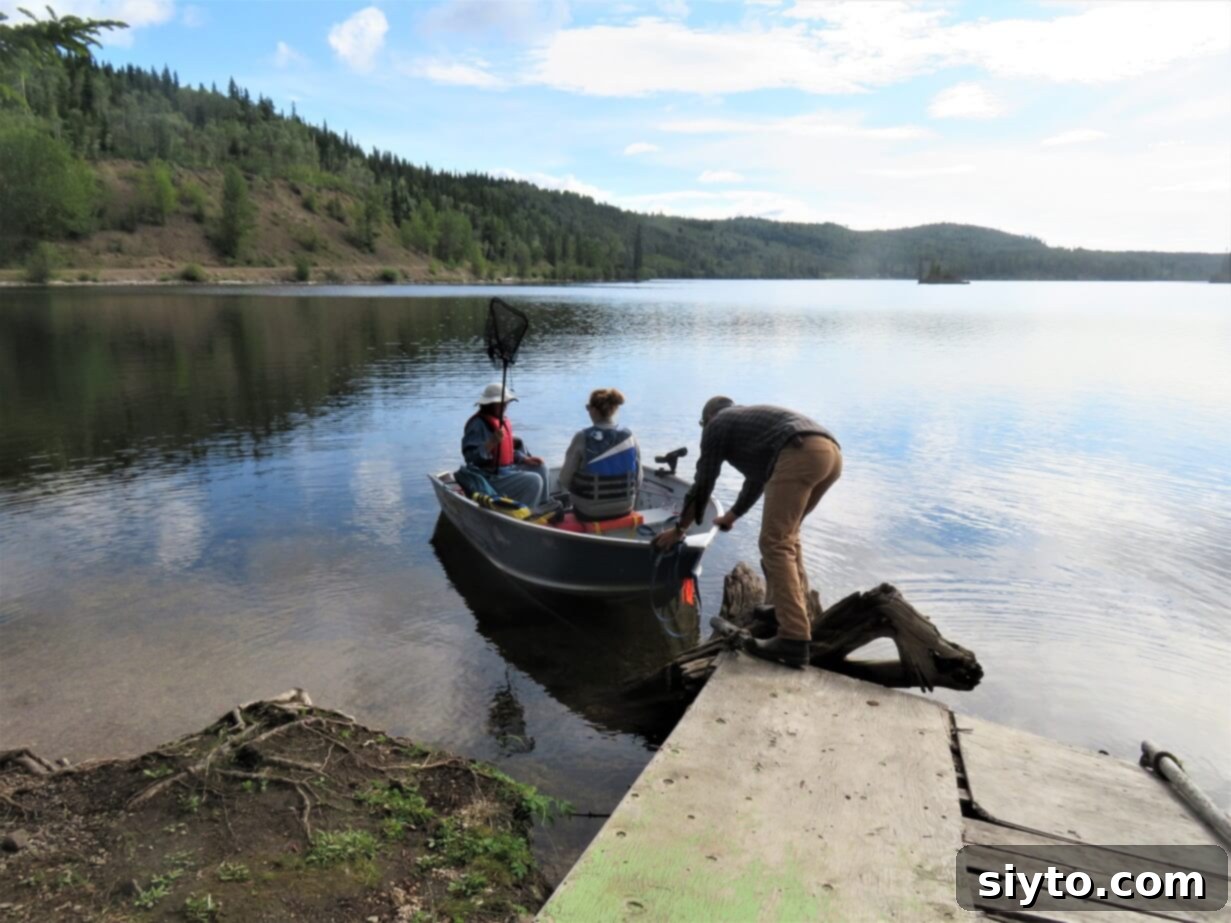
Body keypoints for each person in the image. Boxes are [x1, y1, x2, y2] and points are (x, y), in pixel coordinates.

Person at [653, 396, 842, 669]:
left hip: (801, 451)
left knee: (775, 543)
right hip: (829, 453)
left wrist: (680, 529)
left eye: (701, 425)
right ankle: (788, 611)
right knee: (788, 538)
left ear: (707, 420)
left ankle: (793, 639)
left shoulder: (716, 426)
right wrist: (732, 515)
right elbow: (757, 479)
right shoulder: (748, 427)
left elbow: (704, 481)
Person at [558, 387, 642, 521]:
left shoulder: (582, 437)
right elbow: (638, 481)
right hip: (625, 508)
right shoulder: (630, 437)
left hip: (589, 511)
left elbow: (564, 479)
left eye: (588, 407)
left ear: (594, 410)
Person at [461, 383, 547, 508]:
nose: (505, 406)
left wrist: (524, 458)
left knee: (541, 468)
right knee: (534, 480)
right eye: (501, 403)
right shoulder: (477, 424)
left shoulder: (501, 420)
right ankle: (527, 516)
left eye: (506, 403)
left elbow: (505, 452)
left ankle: (543, 507)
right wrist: (490, 443)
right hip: (490, 477)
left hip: (508, 471)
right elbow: (471, 459)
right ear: (489, 404)